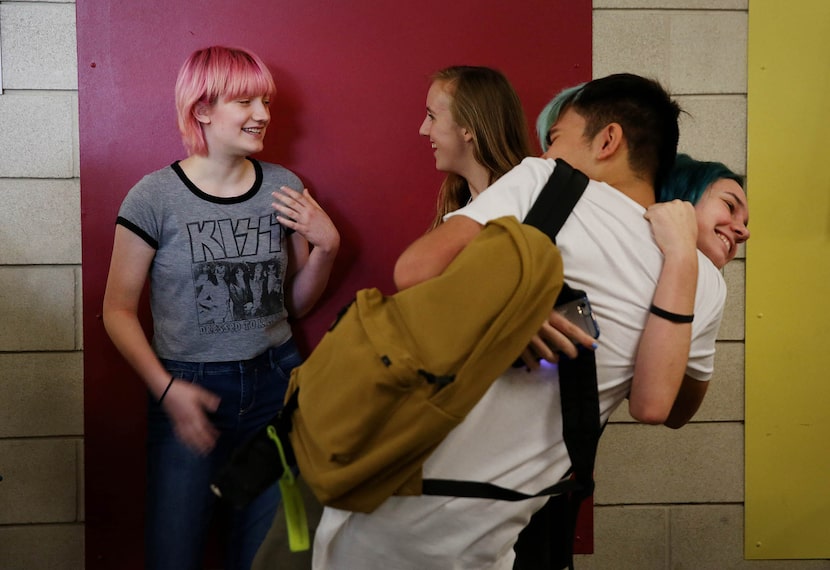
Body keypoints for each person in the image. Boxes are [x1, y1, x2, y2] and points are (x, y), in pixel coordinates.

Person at [311, 73, 724, 569]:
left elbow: (415, 269)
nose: (546, 153)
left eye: (556, 139)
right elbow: (668, 408)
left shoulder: (543, 180)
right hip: (493, 532)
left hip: (396, 493)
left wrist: (505, 311)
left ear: (608, 140)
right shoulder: (703, 281)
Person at [102, 46, 340, 570]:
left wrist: (326, 248)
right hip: (189, 391)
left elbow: (293, 306)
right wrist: (166, 389)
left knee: (269, 557)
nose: (263, 115)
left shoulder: (284, 188)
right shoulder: (153, 197)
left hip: (276, 386)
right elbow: (116, 310)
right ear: (202, 109)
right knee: (175, 555)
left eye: (266, 101)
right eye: (245, 101)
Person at [418, 65, 532, 229]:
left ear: (468, 127)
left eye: (431, 116)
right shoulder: (459, 202)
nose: (422, 130)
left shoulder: (524, 209)